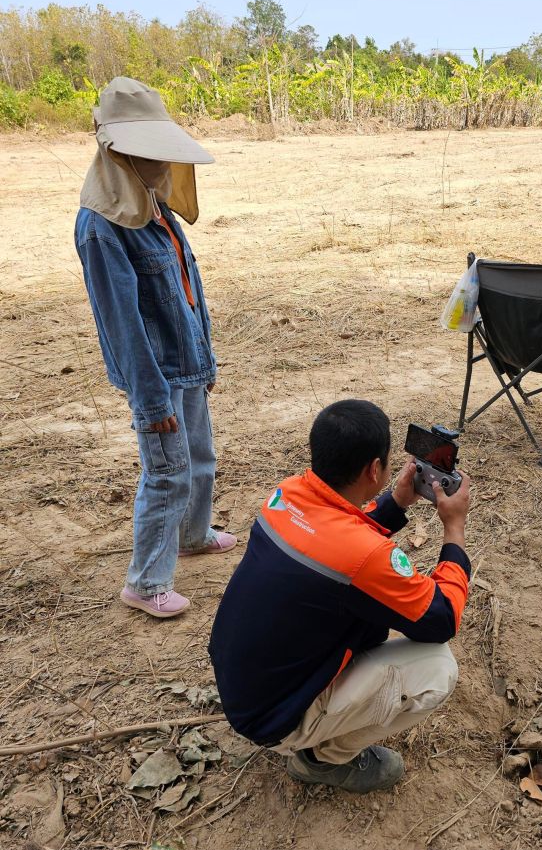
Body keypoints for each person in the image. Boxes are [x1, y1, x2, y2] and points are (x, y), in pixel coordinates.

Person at [209, 399, 470, 793]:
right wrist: (455, 528)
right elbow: (443, 619)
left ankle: (313, 724)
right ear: (374, 469)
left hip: (245, 688)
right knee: (438, 668)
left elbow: (336, 536)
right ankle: (321, 759)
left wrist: (396, 502)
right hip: (274, 719)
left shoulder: (285, 495)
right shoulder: (366, 558)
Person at [74, 77, 236, 619]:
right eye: (149, 152)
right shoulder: (102, 226)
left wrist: (205, 358)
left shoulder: (153, 206)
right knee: (167, 473)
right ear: (116, 153)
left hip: (187, 363)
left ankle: (193, 535)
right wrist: (150, 399)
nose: (162, 162)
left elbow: (188, 287)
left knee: (200, 458)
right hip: (157, 376)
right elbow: (120, 323)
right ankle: (146, 583)